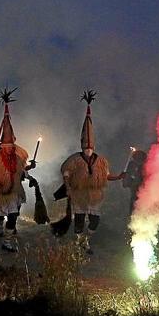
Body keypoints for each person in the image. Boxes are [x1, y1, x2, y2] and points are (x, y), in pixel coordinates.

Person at [60, 90, 123, 255]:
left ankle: (85, 240)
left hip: (94, 195)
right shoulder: (74, 159)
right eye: (85, 144)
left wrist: (119, 177)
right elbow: (66, 172)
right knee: (79, 220)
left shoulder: (101, 160)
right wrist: (67, 186)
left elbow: (106, 176)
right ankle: (79, 243)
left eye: (90, 144)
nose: (88, 147)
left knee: (95, 221)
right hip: (79, 193)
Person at [0, 88, 35, 254]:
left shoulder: (17, 158)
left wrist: (30, 174)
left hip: (12, 193)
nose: (10, 148)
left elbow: (22, 172)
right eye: (7, 146)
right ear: (2, 145)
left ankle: (6, 243)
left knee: (12, 219)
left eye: (11, 146)